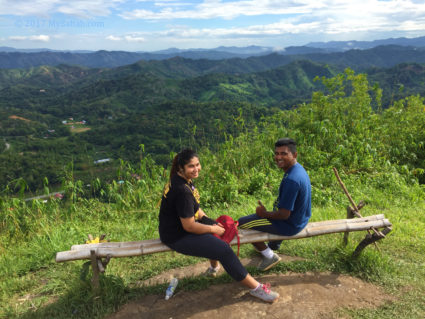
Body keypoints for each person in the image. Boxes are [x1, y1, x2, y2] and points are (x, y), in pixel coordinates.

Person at [158, 148, 279, 303]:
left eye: (198, 164)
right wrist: (212, 228)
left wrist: (209, 221)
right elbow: (189, 226)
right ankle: (257, 289)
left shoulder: (180, 179)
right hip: (177, 236)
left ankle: (213, 269)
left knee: (215, 235)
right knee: (223, 249)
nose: (196, 169)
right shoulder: (182, 190)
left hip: (176, 228)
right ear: (181, 168)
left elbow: (194, 208)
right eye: (191, 166)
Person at [238, 138, 311, 271]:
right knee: (258, 218)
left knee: (242, 223)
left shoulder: (292, 180)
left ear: (294, 155)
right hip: (301, 219)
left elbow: (283, 215)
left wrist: (263, 214)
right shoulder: (298, 170)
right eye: (277, 153)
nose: (278, 157)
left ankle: (269, 255)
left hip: (290, 225)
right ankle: (273, 245)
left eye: (284, 154)